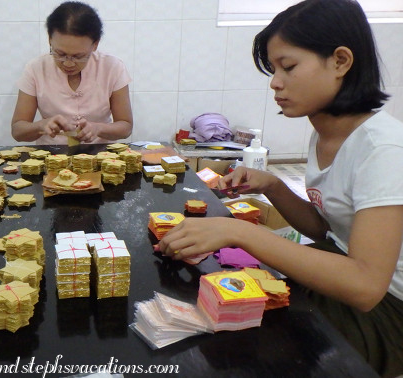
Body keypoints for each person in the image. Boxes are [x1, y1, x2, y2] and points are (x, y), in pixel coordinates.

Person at [158, 0, 403, 376]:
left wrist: (238, 231)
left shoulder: (383, 149)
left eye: (288, 67)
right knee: (225, 301)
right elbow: (326, 229)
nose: (275, 82)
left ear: (340, 61)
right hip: (339, 265)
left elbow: (365, 286)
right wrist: (272, 185)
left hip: (387, 310)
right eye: (273, 70)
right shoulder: (326, 132)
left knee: (245, 348)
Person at [11, 1, 133, 145]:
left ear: (95, 44)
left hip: (101, 157)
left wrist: (98, 128)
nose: (68, 63)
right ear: (50, 39)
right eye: (59, 53)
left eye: (78, 56)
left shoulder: (112, 67)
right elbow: (17, 131)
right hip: (52, 158)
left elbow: (126, 127)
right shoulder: (35, 68)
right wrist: (41, 125)